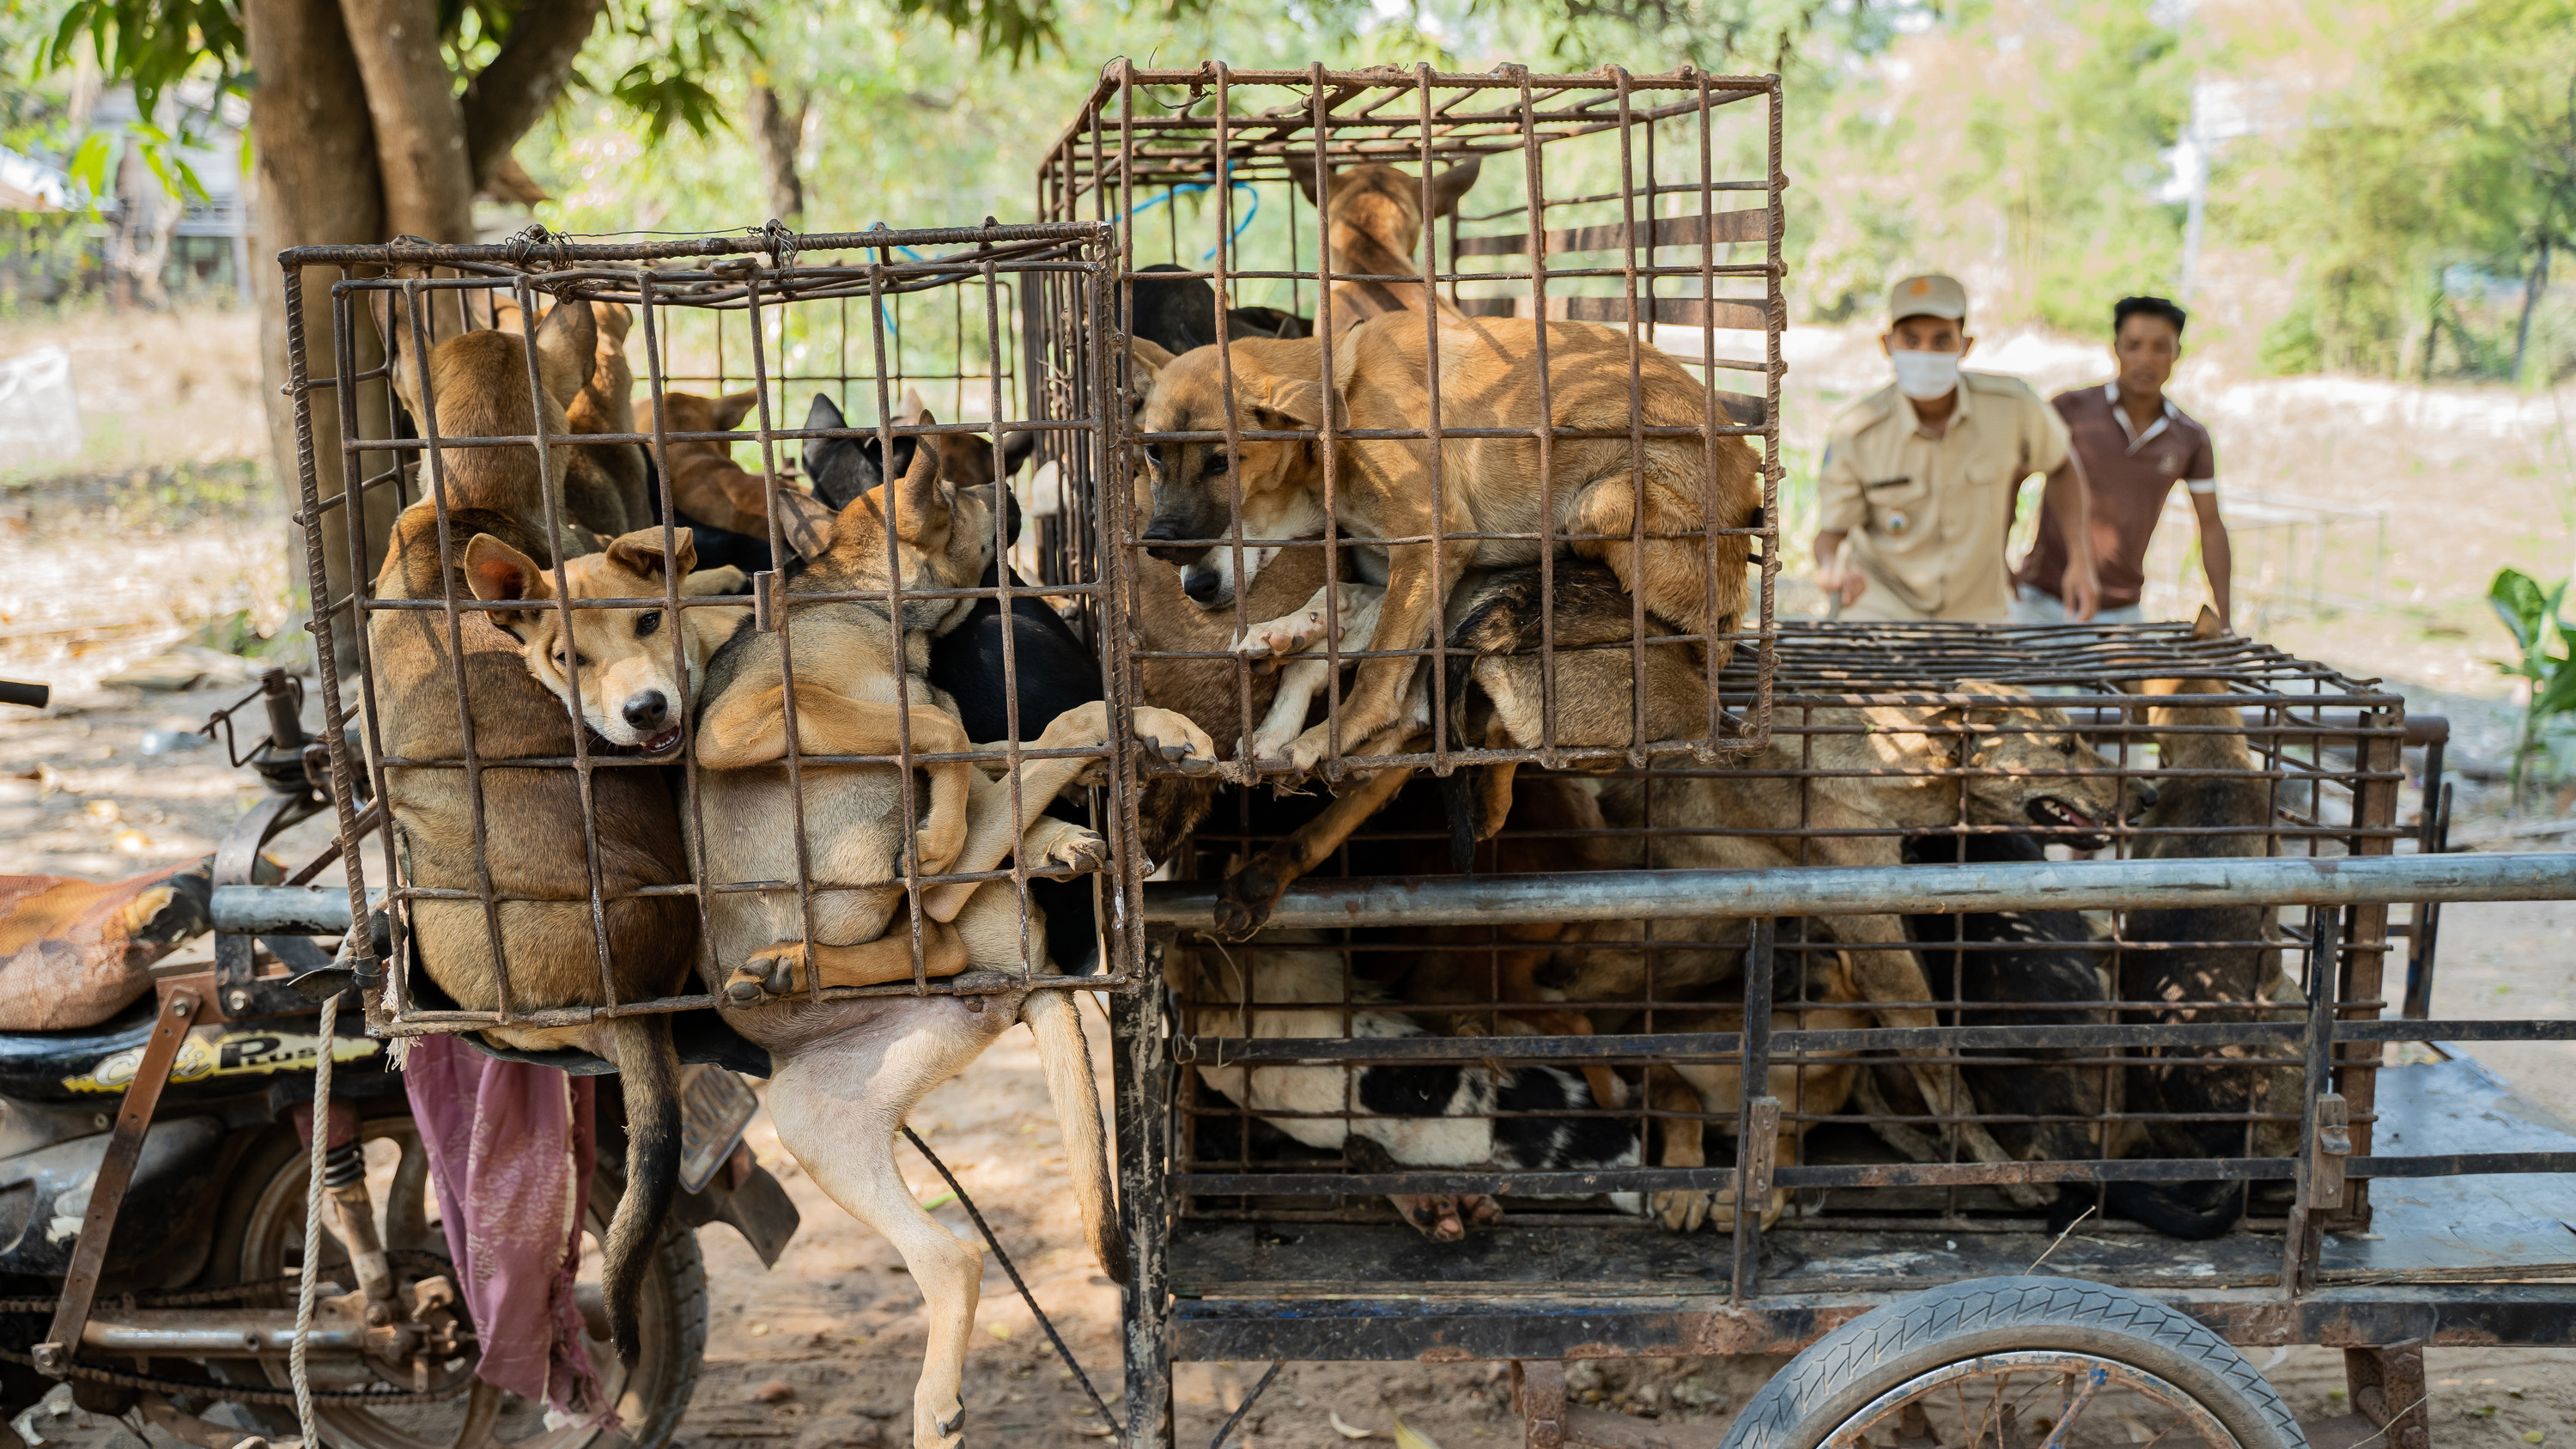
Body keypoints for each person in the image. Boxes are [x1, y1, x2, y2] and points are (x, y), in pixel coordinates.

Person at [1815, 274, 2099, 623]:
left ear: (1965, 345)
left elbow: (2060, 464)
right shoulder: (1857, 431)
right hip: (1883, 610)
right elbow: (1831, 534)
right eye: (1911, 340)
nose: (1925, 353)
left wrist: (2080, 560)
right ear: (1888, 344)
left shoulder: (2012, 406)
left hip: (1977, 613)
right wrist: (1830, 568)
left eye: (1941, 340)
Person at [2014, 295, 2230, 627]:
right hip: (2042, 603)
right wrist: (1998, 566)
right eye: (2134, 346)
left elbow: (2211, 526)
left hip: (2121, 614)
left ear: (2177, 353)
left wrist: (2225, 619)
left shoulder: (2190, 437)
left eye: (2160, 348)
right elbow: (2011, 479)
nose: (2146, 359)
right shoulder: (2069, 410)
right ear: (2115, 348)